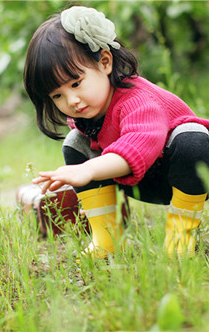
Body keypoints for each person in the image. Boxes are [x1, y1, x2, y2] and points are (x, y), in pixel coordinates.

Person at [23, 6, 209, 258]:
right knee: (75, 142)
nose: (73, 100)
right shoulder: (88, 114)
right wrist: (83, 165)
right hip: (145, 180)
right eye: (58, 95)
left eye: (76, 83)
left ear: (105, 62)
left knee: (192, 138)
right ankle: (107, 236)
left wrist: (87, 170)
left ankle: (180, 237)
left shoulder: (137, 100)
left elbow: (140, 145)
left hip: (194, 173)